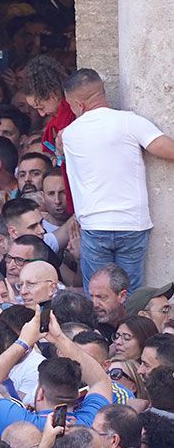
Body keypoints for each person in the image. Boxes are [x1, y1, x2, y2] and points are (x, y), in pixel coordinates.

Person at [61, 69, 174, 293]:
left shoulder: (69, 134)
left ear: (79, 105)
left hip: (94, 226)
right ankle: (130, 328)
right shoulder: (129, 122)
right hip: (132, 224)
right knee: (130, 295)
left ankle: (100, 330)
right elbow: (165, 149)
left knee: (98, 295)